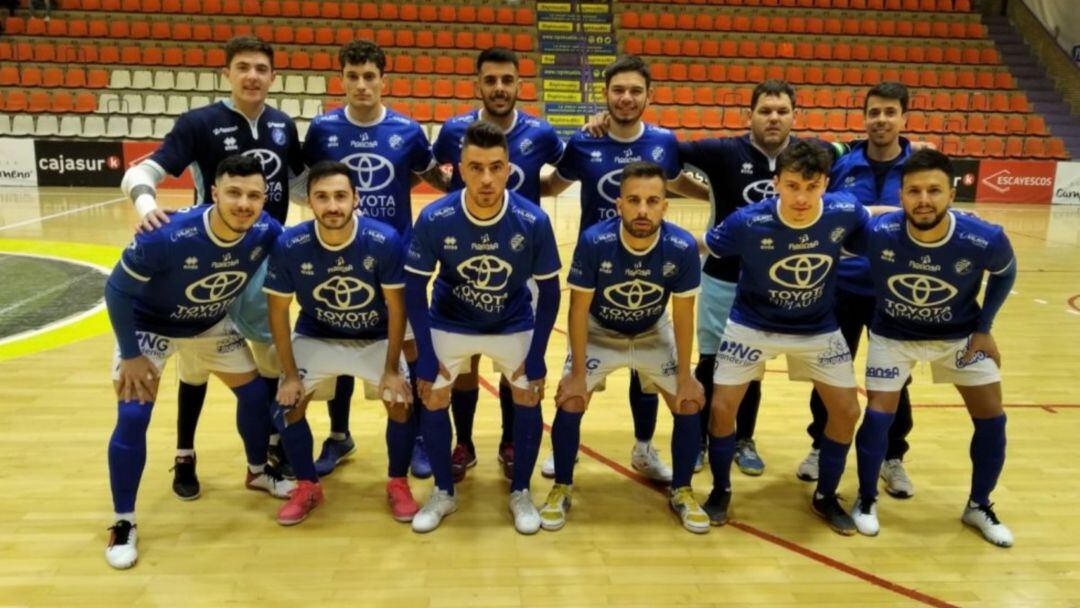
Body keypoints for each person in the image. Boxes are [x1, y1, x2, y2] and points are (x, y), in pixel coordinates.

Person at [119, 36, 353, 498]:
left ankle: (267, 448)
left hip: (264, 262)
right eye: (243, 67)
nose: (252, 76)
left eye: (261, 68)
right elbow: (140, 173)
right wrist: (146, 206)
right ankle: (184, 454)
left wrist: (339, 211)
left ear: (273, 77)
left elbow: (301, 186)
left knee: (267, 360)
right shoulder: (199, 123)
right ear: (226, 73)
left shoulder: (282, 125)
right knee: (195, 368)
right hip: (209, 261)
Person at [104, 155, 293, 570]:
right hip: (148, 328)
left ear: (265, 199)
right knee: (133, 417)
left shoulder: (266, 231)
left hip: (209, 324)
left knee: (254, 396)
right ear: (213, 192)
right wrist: (131, 354)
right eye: (234, 193)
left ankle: (258, 471)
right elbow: (115, 290)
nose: (244, 203)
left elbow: (303, 246)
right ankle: (123, 521)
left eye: (254, 196)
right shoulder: (165, 235)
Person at [538, 54, 710, 483]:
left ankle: (644, 447)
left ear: (649, 95)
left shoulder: (664, 142)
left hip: (648, 267)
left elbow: (675, 182)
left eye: (635, 90)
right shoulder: (584, 141)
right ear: (605, 95)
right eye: (618, 90)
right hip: (596, 270)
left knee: (647, 372)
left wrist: (717, 196)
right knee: (579, 371)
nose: (627, 98)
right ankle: (566, 448)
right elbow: (553, 185)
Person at [847, 149, 1016, 546]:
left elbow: (1006, 272)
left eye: (934, 191)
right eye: (914, 191)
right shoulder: (879, 232)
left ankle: (979, 505)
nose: (924, 200)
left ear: (952, 194)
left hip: (960, 337)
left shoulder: (983, 237)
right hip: (893, 336)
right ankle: (866, 499)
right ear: (901, 195)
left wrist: (985, 328)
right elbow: (832, 240)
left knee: (993, 420)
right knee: (877, 417)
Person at [700, 140, 868, 535]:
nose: (802, 198)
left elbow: (873, 218)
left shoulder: (845, 211)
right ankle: (721, 490)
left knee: (847, 412)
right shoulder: (747, 220)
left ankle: (825, 496)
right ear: (776, 183)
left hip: (817, 327)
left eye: (812, 187)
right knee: (721, 408)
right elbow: (706, 245)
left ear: (826, 184)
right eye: (792, 186)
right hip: (751, 324)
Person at [405, 121, 561, 534]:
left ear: (509, 169)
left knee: (528, 392)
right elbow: (414, 288)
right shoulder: (436, 216)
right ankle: (443, 492)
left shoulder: (532, 220)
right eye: (476, 168)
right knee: (433, 394)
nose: (487, 179)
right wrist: (425, 355)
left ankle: (521, 491)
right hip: (450, 319)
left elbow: (550, 293)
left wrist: (538, 356)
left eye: (495, 167)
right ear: (459, 170)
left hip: (512, 320)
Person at [301, 40, 448, 478]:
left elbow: (431, 177)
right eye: (353, 76)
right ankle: (339, 435)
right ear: (342, 79)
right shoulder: (322, 129)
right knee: (340, 340)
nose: (361, 84)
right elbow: (309, 184)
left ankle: (417, 435)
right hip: (337, 256)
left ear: (384, 80)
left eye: (369, 76)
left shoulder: (408, 130)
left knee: (410, 345)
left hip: (397, 258)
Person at [542, 162, 707, 534]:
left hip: (652, 330)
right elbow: (578, 310)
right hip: (600, 330)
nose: (643, 210)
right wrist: (578, 375)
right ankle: (561, 487)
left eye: (652, 201)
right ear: (619, 204)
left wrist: (685, 375)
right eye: (633, 200)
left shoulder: (681, 246)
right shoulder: (594, 242)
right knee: (571, 399)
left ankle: (682, 490)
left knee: (688, 401)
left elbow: (684, 315)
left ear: (666, 205)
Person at [431, 47, 565, 482]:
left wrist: (542, 193)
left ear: (519, 85)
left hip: (520, 263)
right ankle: (464, 443)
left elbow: (566, 170)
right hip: (465, 259)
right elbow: (435, 172)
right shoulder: (454, 130)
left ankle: (510, 441)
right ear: (478, 85)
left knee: (515, 364)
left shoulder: (541, 132)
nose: (500, 88)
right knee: (464, 364)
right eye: (490, 80)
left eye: (507, 80)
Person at [262, 161, 416, 525]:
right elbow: (278, 313)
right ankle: (307, 486)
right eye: (322, 197)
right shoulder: (290, 244)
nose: (332, 206)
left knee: (400, 401)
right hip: (317, 334)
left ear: (356, 199)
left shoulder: (383, 240)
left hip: (374, 336)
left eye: (340, 196)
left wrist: (392, 370)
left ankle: (398, 482)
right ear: (309, 202)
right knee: (287, 406)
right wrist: (290, 376)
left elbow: (398, 309)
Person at [799, 82, 919, 495]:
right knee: (829, 371)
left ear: (904, 118)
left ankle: (892, 456)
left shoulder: (919, 167)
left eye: (890, 112)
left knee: (896, 379)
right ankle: (820, 445)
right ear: (864, 117)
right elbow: (823, 211)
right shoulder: (842, 164)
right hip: (842, 288)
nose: (881, 120)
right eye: (874, 112)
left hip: (898, 292)